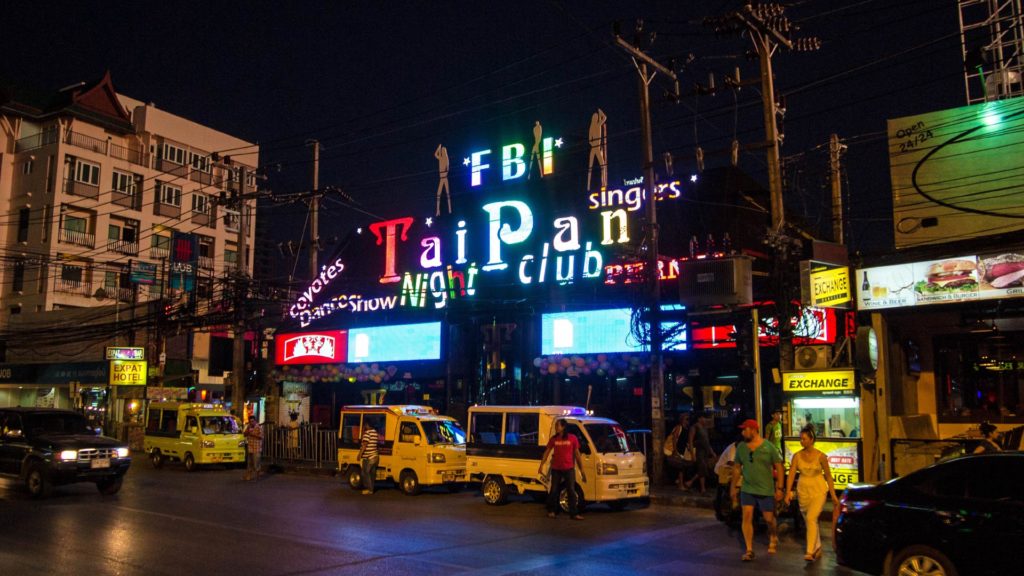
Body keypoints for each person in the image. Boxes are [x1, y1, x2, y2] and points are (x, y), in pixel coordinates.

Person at [731, 418, 785, 562]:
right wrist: (733, 487)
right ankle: (749, 549)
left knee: (768, 519)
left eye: (745, 429)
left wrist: (780, 488)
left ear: (753, 430)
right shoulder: (741, 447)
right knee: (747, 517)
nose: (743, 433)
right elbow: (736, 468)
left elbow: (779, 466)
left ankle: (773, 535)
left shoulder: (768, 447)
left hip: (766, 490)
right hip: (747, 488)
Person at [784, 425, 840, 562]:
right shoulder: (797, 456)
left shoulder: (821, 456)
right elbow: (791, 475)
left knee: (811, 518)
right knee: (810, 520)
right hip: (803, 491)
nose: (801, 441)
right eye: (800, 439)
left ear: (811, 439)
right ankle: (818, 547)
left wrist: (833, 495)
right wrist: (787, 493)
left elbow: (828, 476)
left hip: (818, 490)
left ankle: (810, 551)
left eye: (803, 439)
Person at [538, 419, 587, 520]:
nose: (556, 427)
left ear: (563, 427)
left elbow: (577, 454)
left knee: (571, 491)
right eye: (556, 426)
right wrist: (541, 464)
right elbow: (547, 452)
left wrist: (582, 470)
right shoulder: (554, 439)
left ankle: (574, 513)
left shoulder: (572, 438)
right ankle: (552, 511)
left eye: (558, 426)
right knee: (554, 490)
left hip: (569, 469)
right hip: (556, 469)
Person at [685, 412, 716, 494]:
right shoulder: (694, 427)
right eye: (704, 418)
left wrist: (712, 452)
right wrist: (692, 454)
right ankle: (700, 487)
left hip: (705, 451)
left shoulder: (705, 428)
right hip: (699, 451)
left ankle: (693, 484)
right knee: (702, 468)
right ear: (699, 418)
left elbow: (707, 442)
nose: (706, 420)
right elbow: (690, 441)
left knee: (703, 469)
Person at [666, 412, 692, 488]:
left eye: (688, 419)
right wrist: (675, 450)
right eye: (686, 419)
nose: (688, 421)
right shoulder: (679, 427)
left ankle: (679, 481)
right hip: (679, 449)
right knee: (681, 468)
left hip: (683, 450)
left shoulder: (687, 428)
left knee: (683, 467)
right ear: (682, 420)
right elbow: (674, 439)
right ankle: (680, 485)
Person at [357, 420, 380, 495]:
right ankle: (371, 488)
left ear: (367, 425)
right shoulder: (375, 433)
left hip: (369, 457)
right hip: (375, 456)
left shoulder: (367, 433)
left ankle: (369, 489)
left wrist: (359, 455)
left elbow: (364, 445)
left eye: (365, 425)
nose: (364, 427)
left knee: (365, 473)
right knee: (372, 474)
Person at [243, 417, 263, 481]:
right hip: (250, 447)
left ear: (255, 421)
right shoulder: (248, 427)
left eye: (252, 421)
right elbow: (244, 434)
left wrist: (252, 434)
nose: (251, 423)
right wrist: (248, 431)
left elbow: (261, 437)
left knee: (256, 462)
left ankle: (257, 475)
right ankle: (249, 476)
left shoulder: (259, 427)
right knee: (249, 463)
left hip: (256, 447)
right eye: (250, 421)